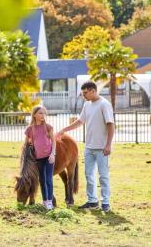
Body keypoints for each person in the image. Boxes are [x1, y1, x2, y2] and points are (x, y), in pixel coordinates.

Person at [57, 81, 115, 212]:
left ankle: (105, 202)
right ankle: (92, 201)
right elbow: (80, 121)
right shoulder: (87, 105)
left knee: (103, 175)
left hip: (102, 148)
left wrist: (108, 145)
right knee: (89, 175)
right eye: (82, 93)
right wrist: (63, 130)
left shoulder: (104, 104)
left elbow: (111, 125)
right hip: (89, 147)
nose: (83, 96)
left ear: (93, 91)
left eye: (85, 93)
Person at [25, 105, 56, 210]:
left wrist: (52, 154)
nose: (43, 115)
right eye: (40, 113)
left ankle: (50, 202)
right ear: (34, 115)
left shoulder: (48, 127)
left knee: (48, 179)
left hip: (48, 157)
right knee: (42, 180)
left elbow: (53, 142)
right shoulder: (30, 129)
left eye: (44, 113)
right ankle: (44, 201)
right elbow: (27, 144)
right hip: (38, 159)